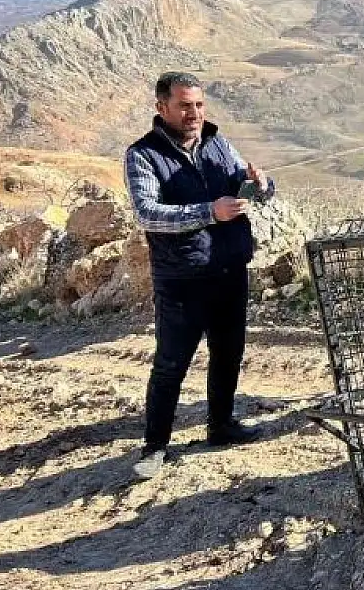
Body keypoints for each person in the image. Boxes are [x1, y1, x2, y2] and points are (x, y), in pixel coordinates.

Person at [124, 71, 273, 479]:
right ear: (162, 108)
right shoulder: (142, 155)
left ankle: (221, 425)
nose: (194, 113)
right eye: (185, 105)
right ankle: (155, 447)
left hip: (228, 269)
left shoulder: (218, 142)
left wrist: (260, 184)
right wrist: (210, 211)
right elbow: (147, 214)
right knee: (172, 363)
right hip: (181, 278)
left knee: (228, 354)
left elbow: (251, 186)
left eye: (199, 105)